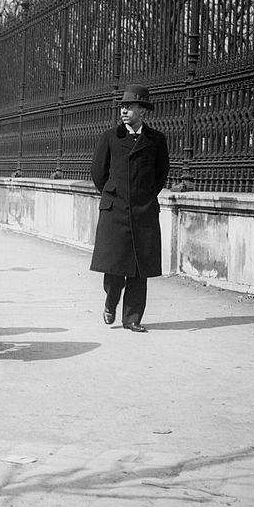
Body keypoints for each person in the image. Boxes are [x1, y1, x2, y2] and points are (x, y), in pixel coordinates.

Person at [89, 85, 169, 333]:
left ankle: (132, 318)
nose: (123, 110)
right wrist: (115, 194)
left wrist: (142, 197)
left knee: (139, 267)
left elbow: (160, 175)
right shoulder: (111, 137)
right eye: (122, 106)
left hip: (143, 211)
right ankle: (111, 301)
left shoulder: (156, 140)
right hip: (115, 210)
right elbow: (98, 174)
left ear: (142, 111)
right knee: (114, 266)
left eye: (130, 106)